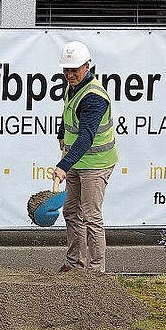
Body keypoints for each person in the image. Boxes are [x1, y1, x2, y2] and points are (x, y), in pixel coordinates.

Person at [54, 41, 118, 273]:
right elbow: (67, 112)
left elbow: (86, 136)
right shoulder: (73, 88)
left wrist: (63, 165)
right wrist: (61, 133)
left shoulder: (94, 97)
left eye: (75, 69)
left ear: (87, 66)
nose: (69, 74)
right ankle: (75, 264)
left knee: (91, 216)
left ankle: (96, 272)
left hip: (96, 163)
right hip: (76, 161)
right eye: (66, 70)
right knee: (71, 211)